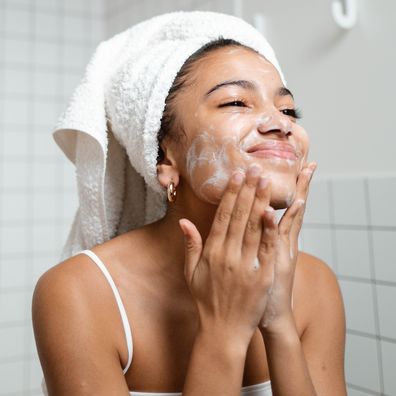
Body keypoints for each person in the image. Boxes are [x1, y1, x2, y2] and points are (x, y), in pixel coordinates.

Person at [32, 12, 346, 396]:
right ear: (165, 158)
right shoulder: (78, 294)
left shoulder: (315, 286)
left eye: (287, 110)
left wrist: (279, 323)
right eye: (236, 102)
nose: (279, 123)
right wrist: (223, 332)